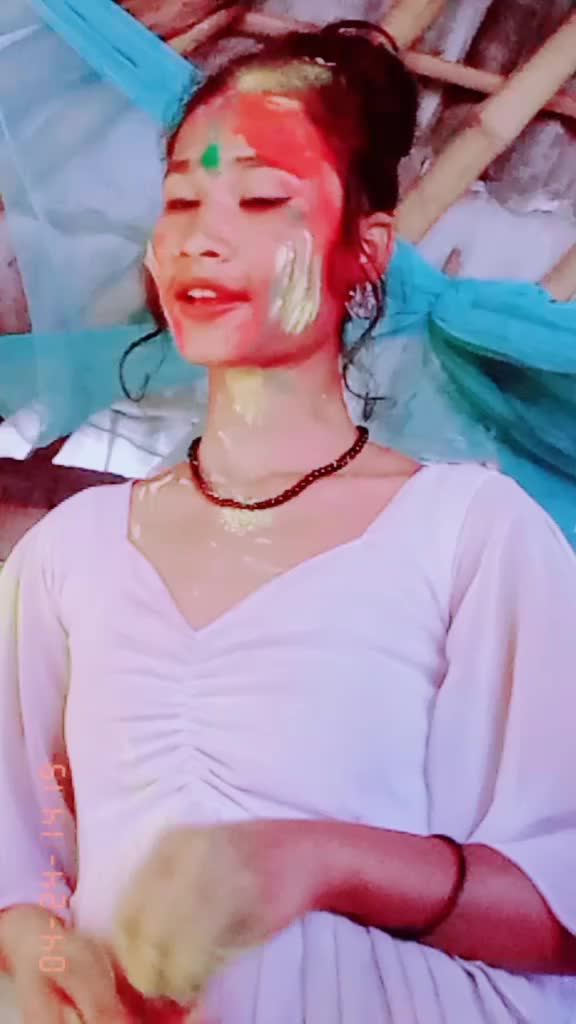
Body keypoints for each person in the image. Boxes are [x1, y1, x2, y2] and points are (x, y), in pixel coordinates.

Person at [1, 20, 576, 1024]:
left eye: (264, 200)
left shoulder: (474, 533)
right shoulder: (67, 555)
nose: (202, 236)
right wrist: (45, 958)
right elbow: (29, 855)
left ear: (365, 251)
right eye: (182, 201)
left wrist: (315, 859)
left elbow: (557, 915)